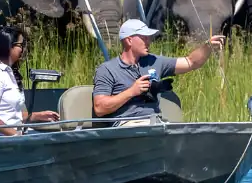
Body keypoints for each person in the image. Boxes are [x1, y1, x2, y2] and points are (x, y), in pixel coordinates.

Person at [93, 19, 224, 125]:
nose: (148, 41)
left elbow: (191, 62)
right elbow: (99, 108)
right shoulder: (107, 70)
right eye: (144, 37)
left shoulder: (155, 61)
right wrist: (131, 92)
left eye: (149, 37)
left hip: (156, 123)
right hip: (126, 126)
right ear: (129, 40)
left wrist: (207, 47)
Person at [0, 27, 60, 137]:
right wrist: (15, 135)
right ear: (9, 46)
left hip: (11, 136)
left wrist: (38, 115)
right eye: (20, 45)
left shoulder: (9, 73)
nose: (23, 49)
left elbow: (12, 115)